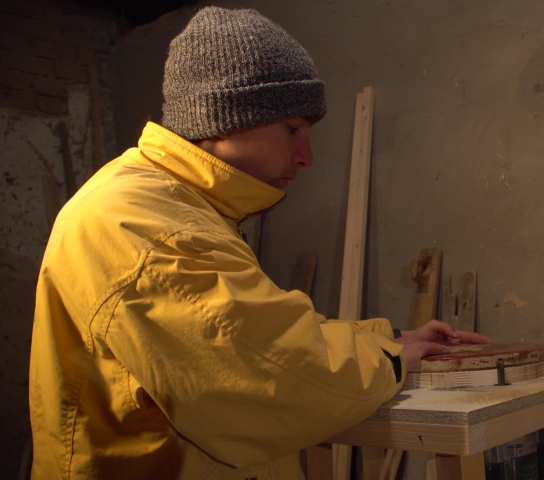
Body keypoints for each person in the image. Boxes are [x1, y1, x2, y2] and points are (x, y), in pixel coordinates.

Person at [28, 6, 490, 479]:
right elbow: (268, 376)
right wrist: (393, 359)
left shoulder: (177, 204)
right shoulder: (140, 222)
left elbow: (260, 329)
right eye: (293, 129)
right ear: (224, 117)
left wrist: (390, 337)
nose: (306, 156)